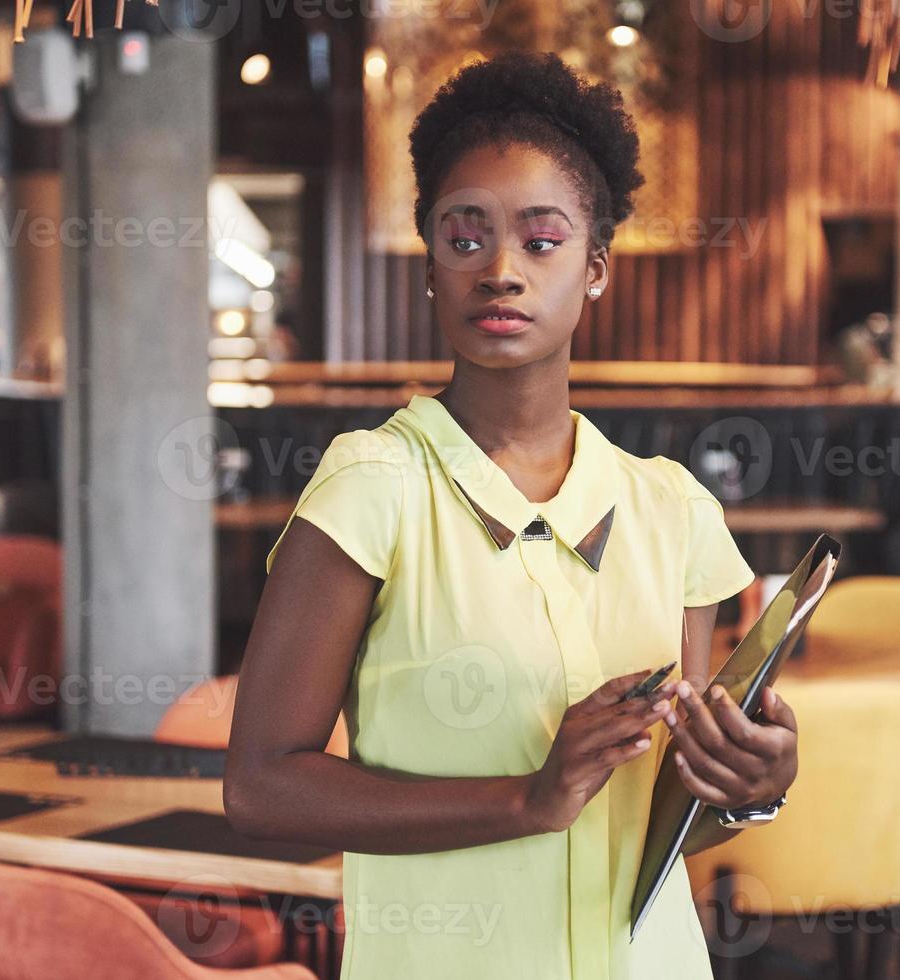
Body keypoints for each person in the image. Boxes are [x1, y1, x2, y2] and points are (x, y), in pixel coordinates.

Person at [223, 52, 799, 980]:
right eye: (464, 238)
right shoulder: (372, 489)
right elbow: (260, 788)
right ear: (430, 265)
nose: (500, 270)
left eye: (540, 240)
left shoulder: (671, 510)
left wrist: (748, 789)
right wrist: (526, 799)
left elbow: (664, 825)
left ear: (596, 266)